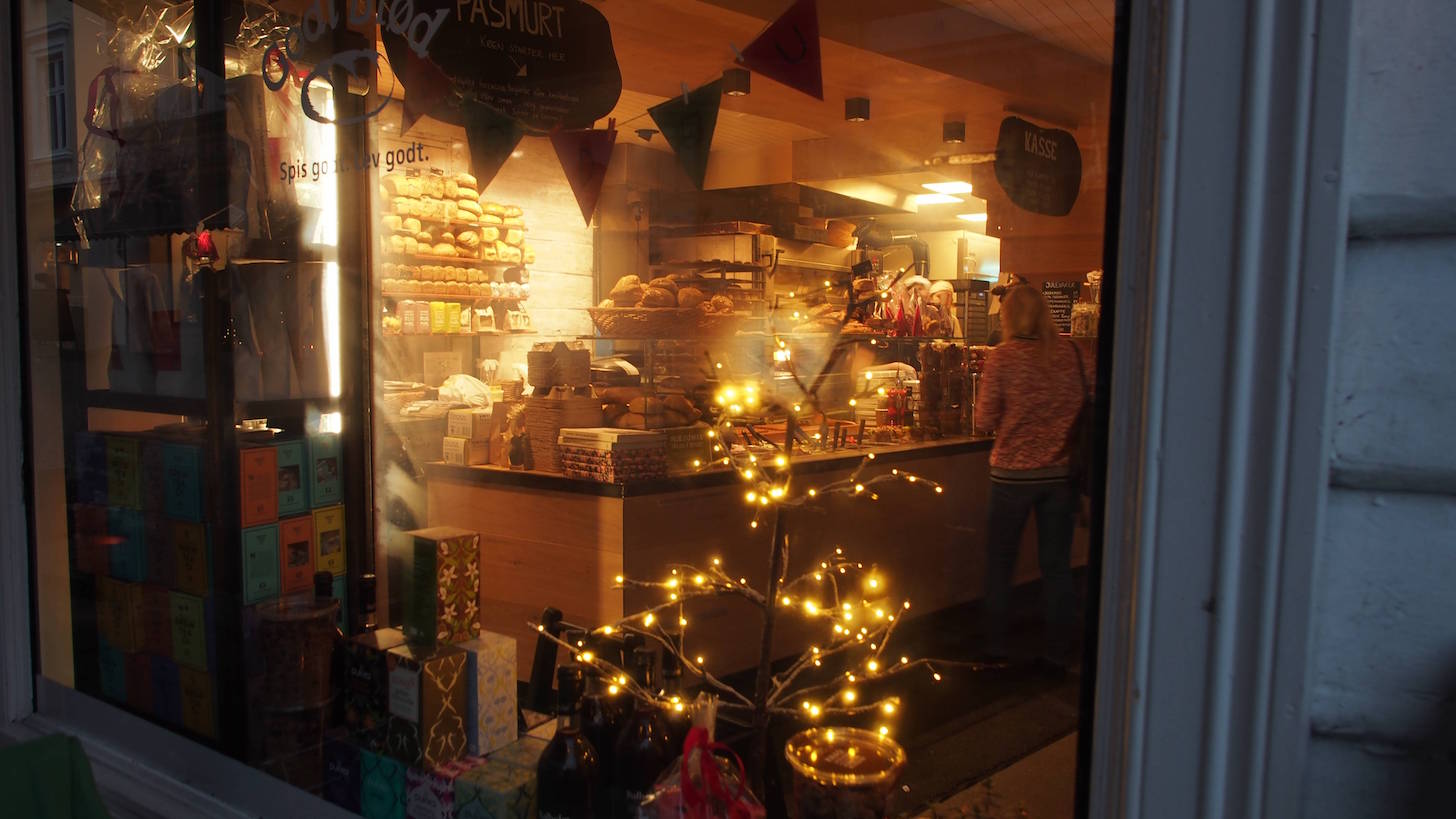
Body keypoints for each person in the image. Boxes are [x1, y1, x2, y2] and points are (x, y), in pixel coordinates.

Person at [973, 284, 1090, 669]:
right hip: (1060, 475)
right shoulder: (1072, 354)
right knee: (1056, 566)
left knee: (1000, 564)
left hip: (1011, 477)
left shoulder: (1003, 358)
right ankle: (1058, 650)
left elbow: (984, 419)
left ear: (1008, 316)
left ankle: (996, 647)